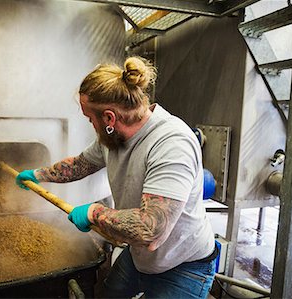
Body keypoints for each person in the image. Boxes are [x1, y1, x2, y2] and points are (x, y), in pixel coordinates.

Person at [16, 56, 217, 298]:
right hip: (139, 257)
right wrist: (39, 175)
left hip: (182, 265)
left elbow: (150, 228)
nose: (91, 124)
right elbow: (80, 165)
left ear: (109, 118)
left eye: (90, 119)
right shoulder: (112, 139)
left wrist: (94, 213)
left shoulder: (172, 144)